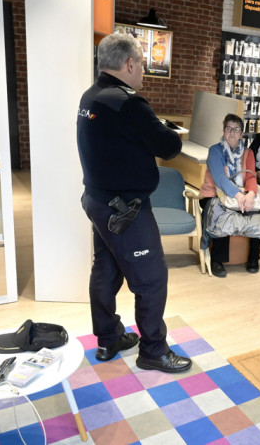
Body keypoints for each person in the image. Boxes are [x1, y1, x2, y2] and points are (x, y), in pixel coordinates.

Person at [77, 32, 191, 373]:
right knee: (152, 279)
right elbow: (170, 146)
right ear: (129, 64)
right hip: (125, 209)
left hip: (98, 201)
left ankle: (109, 337)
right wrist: (159, 129)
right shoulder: (128, 103)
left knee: (106, 269)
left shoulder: (92, 95)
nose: (142, 69)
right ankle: (153, 350)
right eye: (141, 63)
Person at [199, 113, 260, 277]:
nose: (232, 132)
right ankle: (217, 260)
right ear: (224, 131)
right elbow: (219, 178)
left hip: (242, 194)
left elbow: (251, 176)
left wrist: (251, 194)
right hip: (215, 193)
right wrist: (239, 196)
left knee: (257, 212)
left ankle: (254, 258)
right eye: (228, 128)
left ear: (241, 133)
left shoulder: (248, 153)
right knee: (221, 212)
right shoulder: (215, 150)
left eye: (236, 129)